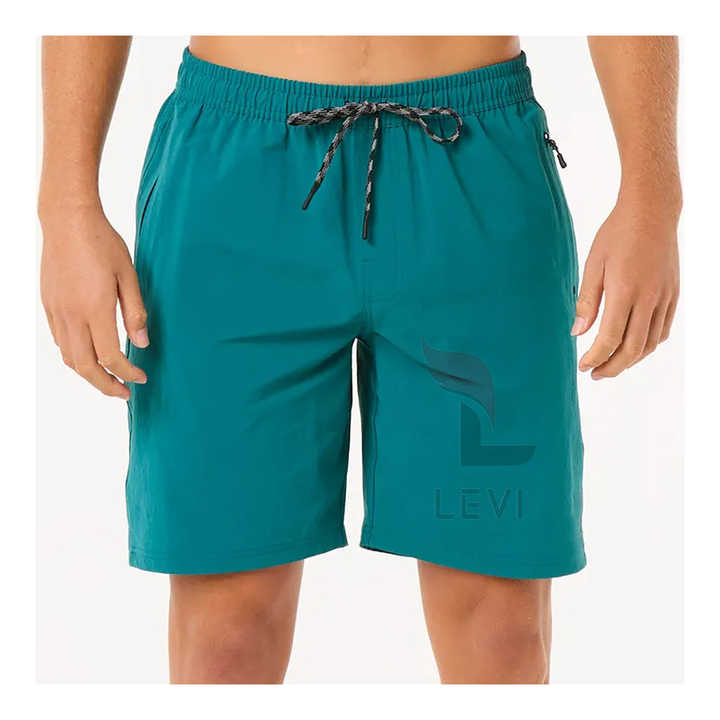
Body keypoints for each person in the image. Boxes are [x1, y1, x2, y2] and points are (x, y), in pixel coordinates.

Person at [38, 36, 681, 684]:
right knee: (224, 638)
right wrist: (66, 207)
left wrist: (653, 199)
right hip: (236, 182)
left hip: (470, 158)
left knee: (500, 634)